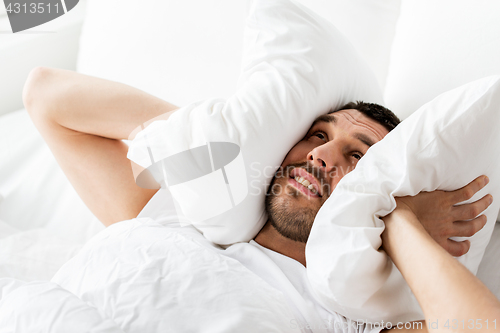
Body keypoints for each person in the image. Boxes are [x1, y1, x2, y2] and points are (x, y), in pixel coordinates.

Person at [23, 67, 500, 332]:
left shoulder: (355, 319)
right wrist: (220, 149)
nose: (320, 155)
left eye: (357, 157)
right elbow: (44, 94)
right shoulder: (176, 217)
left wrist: (397, 220)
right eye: (317, 133)